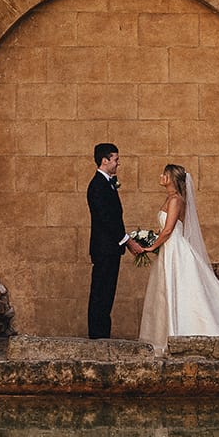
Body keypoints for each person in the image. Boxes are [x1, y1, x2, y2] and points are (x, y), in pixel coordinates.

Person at [132, 164, 219, 353]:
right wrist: (151, 237)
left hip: (175, 249)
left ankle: (183, 332)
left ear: (171, 178)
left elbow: (169, 230)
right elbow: (165, 229)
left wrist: (152, 245)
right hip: (169, 248)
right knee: (166, 290)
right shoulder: (170, 198)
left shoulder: (176, 200)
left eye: (164, 174)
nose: (161, 176)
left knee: (181, 289)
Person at [86, 143, 127, 339]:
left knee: (107, 292)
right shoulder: (97, 185)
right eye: (116, 159)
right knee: (101, 292)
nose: (118, 163)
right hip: (104, 248)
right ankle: (97, 335)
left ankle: (102, 334)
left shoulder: (107, 183)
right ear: (105, 160)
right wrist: (126, 240)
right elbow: (107, 218)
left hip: (110, 248)